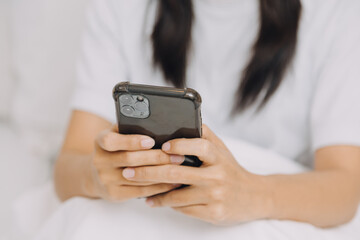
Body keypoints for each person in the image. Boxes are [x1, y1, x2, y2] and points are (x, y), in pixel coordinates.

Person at [55, 0, 360, 228]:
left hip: (274, 211)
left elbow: (345, 189)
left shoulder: (335, 14)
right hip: (144, 211)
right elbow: (67, 168)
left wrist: (252, 194)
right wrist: (97, 178)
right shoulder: (120, 7)